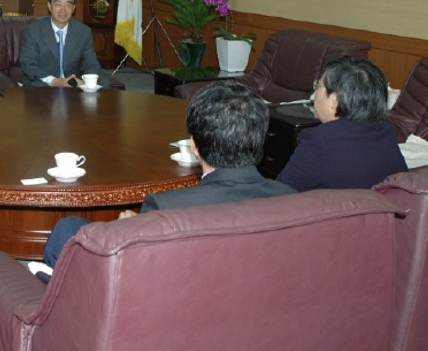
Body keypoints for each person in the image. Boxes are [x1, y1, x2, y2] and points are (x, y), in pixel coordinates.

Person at [41, 80, 295, 270]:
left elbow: (134, 259)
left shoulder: (167, 207)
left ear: (194, 146)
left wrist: (131, 227)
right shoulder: (291, 199)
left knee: (68, 228)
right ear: (259, 141)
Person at [276, 56, 407, 192]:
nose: (314, 94)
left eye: (318, 86)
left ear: (334, 100)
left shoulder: (320, 141)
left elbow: (279, 196)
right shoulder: (385, 131)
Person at [19, 0, 101, 87]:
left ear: (74, 8)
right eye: (58, 5)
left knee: (105, 85)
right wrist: (54, 81)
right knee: (39, 87)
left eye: (68, 5)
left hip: (73, 83)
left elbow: (91, 64)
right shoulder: (33, 31)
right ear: (49, 6)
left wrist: (86, 82)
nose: (63, 10)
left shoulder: (83, 32)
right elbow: (28, 65)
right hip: (44, 82)